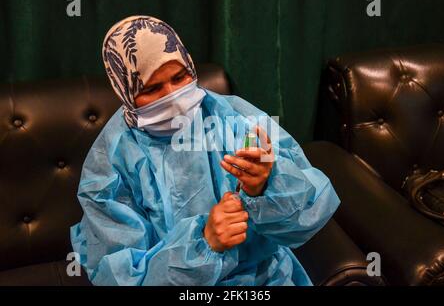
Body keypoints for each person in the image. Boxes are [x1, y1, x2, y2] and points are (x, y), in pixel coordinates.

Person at [70, 15, 340, 286]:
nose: (173, 97)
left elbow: (308, 214)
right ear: (125, 92)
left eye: (179, 77)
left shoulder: (235, 119)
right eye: (152, 88)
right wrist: (204, 242)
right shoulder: (111, 164)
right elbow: (120, 276)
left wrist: (264, 187)